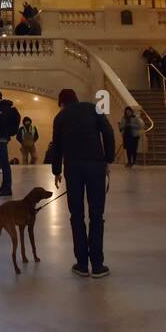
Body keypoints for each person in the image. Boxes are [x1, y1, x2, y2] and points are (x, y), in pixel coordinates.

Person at [51, 89, 116, 278]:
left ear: (62, 102)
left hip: (73, 168)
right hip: (96, 165)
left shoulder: (61, 116)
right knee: (97, 215)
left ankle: (81, 264)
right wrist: (108, 159)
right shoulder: (93, 108)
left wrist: (56, 171)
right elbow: (109, 132)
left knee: (76, 215)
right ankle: (97, 265)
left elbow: (57, 146)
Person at [0, 90, 20, 197]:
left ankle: (7, 188)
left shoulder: (4, 108)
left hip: (1, 137)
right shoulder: (0, 108)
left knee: (5, 164)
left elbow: (1, 123)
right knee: (3, 163)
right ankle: (4, 186)